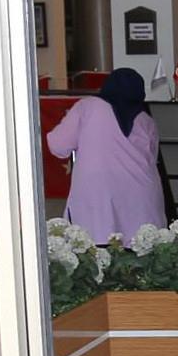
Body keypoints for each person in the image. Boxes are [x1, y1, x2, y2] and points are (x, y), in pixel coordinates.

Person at [45, 65, 167, 241]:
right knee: (140, 250)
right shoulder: (147, 120)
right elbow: (152, 158)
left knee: (96, 250)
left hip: (97, 198)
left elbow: (58, 145)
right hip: (141, 200)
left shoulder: (87, 107)